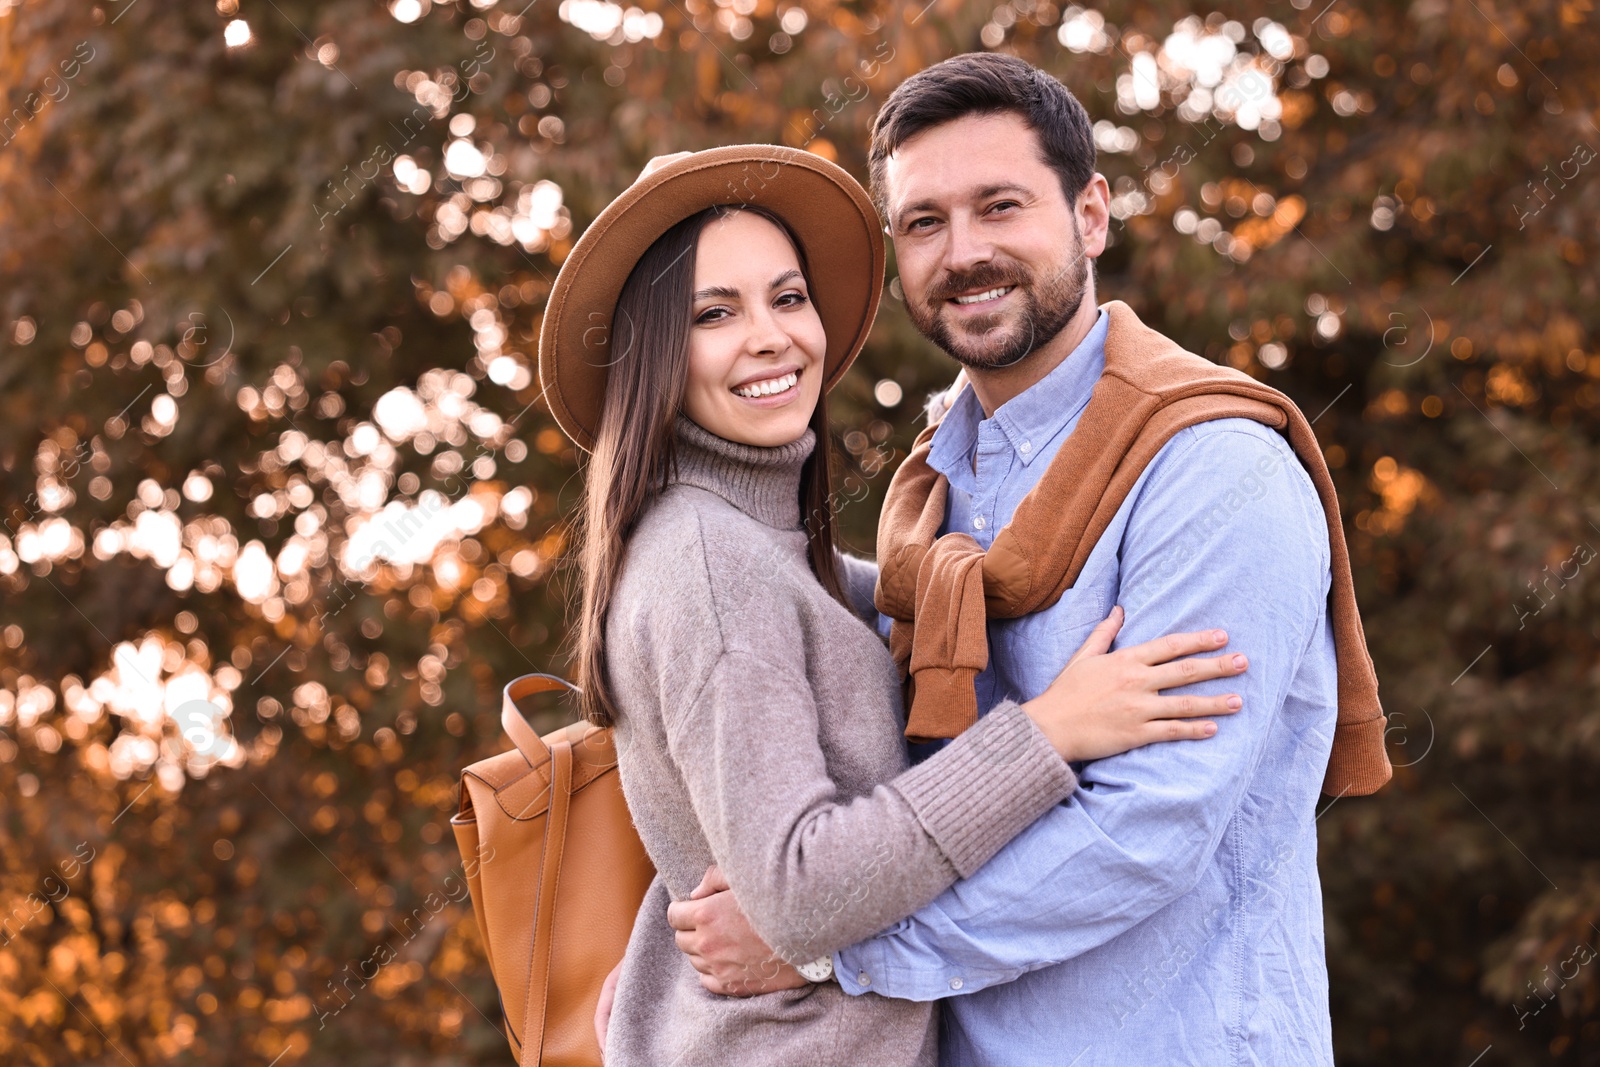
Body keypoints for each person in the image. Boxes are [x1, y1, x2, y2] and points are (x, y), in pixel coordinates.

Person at [659, 54, 1391, 1066]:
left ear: (1089, 215)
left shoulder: (1212, 469)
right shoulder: (935, 485)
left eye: (998, 206)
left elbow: (1146, 826)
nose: (963, 253)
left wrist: (838, 949)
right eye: (923, 223)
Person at [536, 144, 1250, 1066]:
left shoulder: (773, 555)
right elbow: (797, 887)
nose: (770, 336)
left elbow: (939, 601)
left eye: (787, 298)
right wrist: (1049, 731)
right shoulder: (711, 567)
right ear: (653, 356)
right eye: (715, 313)